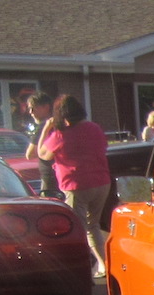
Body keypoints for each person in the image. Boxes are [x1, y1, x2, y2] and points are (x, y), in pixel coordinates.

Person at [37, 94, 111, 277]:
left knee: (76, 229)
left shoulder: (60, 134)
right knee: (93, 226)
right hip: (101, 182)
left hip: (76, 185)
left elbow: (42, 154)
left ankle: (80, 267)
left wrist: (46, 129)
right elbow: (104, 147)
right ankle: (105, 265)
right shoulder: (94, 128)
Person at [24, 92, 61, 199]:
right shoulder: (61, 123)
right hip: (63, 175)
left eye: (34, 108)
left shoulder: (44, 126)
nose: (31, 112)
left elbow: (30, 154)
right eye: (29, 109)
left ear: (46, 107)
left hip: (50, 178)